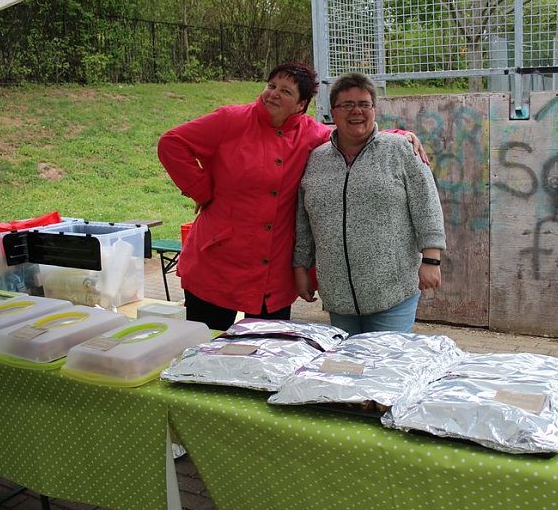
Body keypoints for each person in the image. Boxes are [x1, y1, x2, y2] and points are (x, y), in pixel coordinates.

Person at [157, 62, 426, 330]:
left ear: (301, 104)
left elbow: (349, 133)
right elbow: (172, 143)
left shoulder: (309, 133)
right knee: (205, 352)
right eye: (271, 85)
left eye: (286, 91)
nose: (273, 93)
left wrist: (401, 136)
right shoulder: (230, 119)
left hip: (272, 274)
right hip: (217, 263)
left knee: (267, 356)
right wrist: (202, 190)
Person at [293, 72, 446, 335]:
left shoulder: (399, 150)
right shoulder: (316, 159)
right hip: (338, 295)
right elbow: (305, 220)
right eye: (347, 105)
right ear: (333, 111)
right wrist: (300, 266)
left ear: (374, 109)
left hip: (392, 291)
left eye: (364, 104)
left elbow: (427, 203)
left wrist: (431, 260)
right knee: (349, 367)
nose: (357, 111)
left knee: (384, 368)